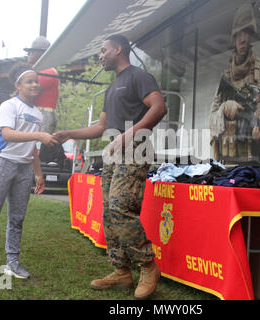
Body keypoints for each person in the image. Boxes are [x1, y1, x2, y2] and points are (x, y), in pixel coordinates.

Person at [54, 34, 167, 299]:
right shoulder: (111, 88)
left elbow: (159, 107)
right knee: (109, 212)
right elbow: (101, 127)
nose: (101, 56)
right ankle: (121, 272)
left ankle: (148, 265)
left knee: (119, 206)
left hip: (135, 150)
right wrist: (69, 133)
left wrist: (129, 135)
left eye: (103, 50)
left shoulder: (139, 76)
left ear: (119, 49)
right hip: (113, 154)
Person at [0, 63, 59, 282]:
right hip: (2, 163)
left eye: (37, 81)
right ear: (18, 85)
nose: (35, 84)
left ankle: (13, 261)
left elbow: (32, 149)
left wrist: (38, 173)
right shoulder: (9, 105)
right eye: (29, 81)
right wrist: (39, 136)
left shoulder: (37, 114)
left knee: (17, 218)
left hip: (24, 168)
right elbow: (7, 134)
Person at [209, 3, 260, 172]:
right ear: (234, 38)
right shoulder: (225, 78)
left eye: (247, 33)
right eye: (240, 33)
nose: (243, 38)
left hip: (254, 164)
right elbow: (211, 119)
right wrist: (224, 109)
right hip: (226, 163)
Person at [24, 36, 59, 133]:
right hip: (39, 113)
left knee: (39, 143)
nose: (29, 55)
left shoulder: (48, 71)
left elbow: (27, 92)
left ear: (40, 53)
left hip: (43, 115)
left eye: (31, 52)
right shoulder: (41, 71)